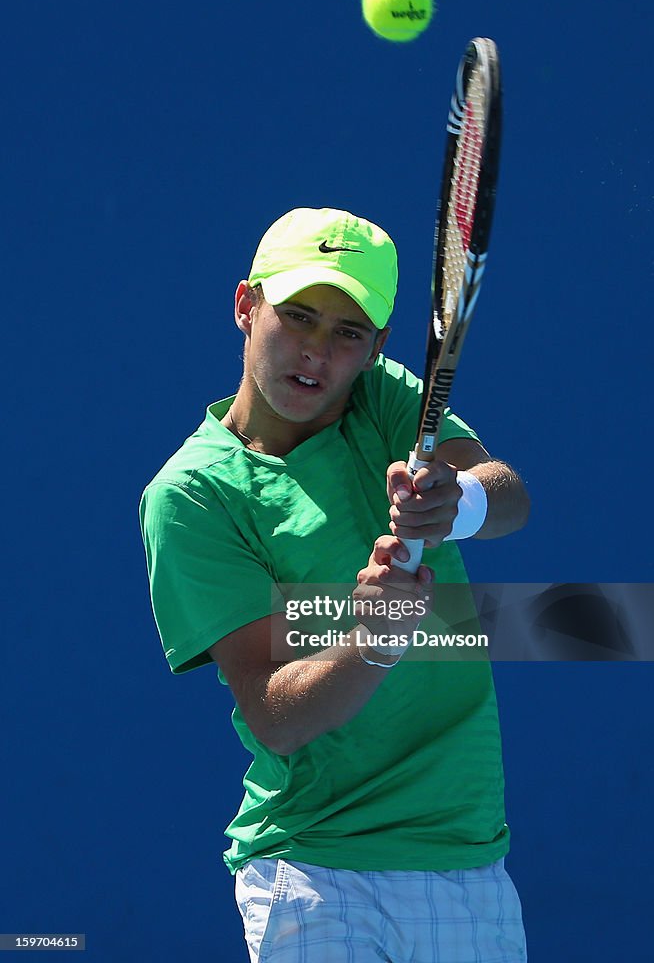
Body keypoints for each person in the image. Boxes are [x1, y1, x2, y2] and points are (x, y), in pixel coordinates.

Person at [140, 207, 531, 962]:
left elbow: (506, 495)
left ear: (376, 347)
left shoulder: (383, 398)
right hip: (316, 874)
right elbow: (274, 719)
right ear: (245, 305)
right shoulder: (191, 496)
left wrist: (458, 500)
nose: (316, 352)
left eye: (347, 333)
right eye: (297, 316)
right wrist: (373, 643)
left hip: (469, 857)